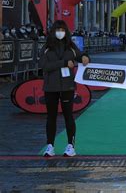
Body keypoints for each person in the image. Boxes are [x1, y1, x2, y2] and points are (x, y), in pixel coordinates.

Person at [39, 20, 90, 157]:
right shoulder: (46, 47)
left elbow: (80, 56)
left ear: (66, 31)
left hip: (67, 86)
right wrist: (63, 63)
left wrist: (85, 57)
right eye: (57, 30)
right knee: (51, 117)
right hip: (51, 87)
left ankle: (70, 146)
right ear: (53, 31)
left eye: (62, 30)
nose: (60, 32)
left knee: (69, 116)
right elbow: (44, 66)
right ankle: (50, 146)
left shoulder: (71, 46)